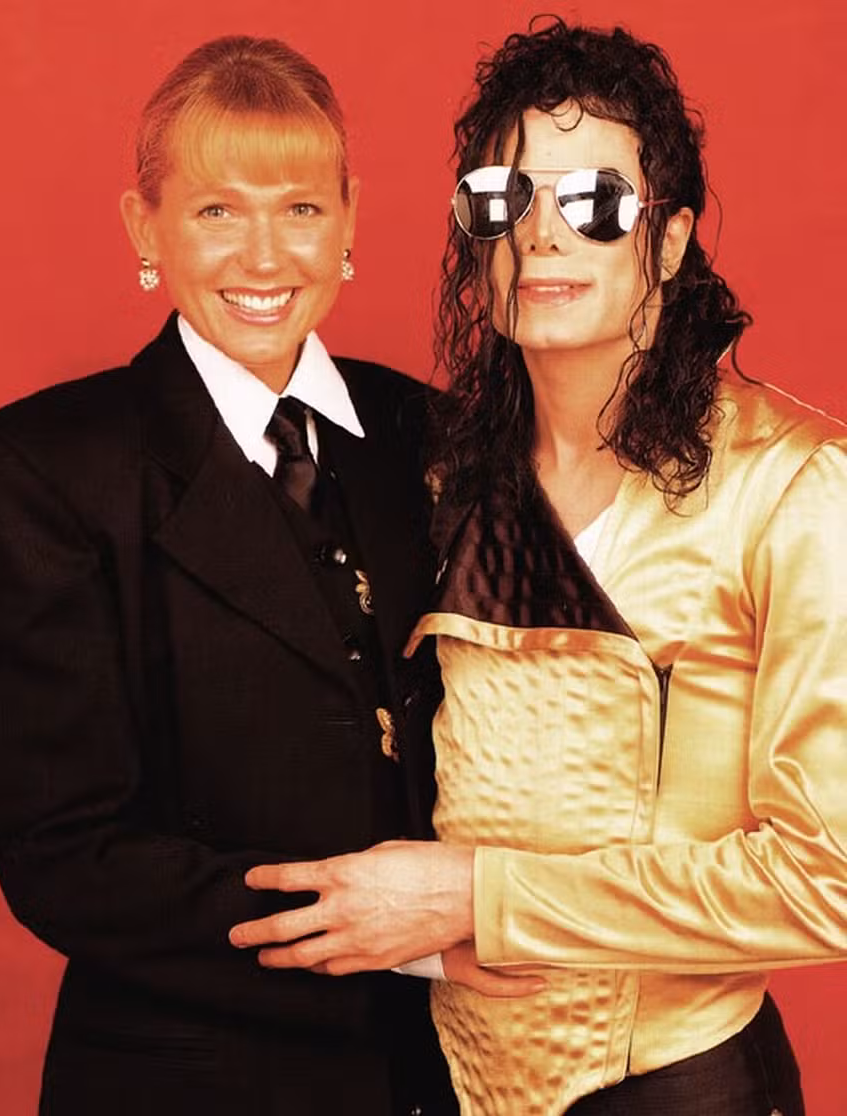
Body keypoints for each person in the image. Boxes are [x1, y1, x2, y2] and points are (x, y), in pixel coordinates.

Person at [226, 17, 847, 1116]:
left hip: (674, 1082)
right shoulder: (443, 475)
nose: (542, 235)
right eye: (503, 199)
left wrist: (483, 897)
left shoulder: (793, 486)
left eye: (596, 202)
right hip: (447, 1078)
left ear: (669, 240)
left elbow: (829, 882)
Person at [0, 35, 458, 1116]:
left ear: (351, 219)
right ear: (145, 227)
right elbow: (65, 852)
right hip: (186, 1080)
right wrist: (395, 932)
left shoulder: (435, 435)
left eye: (301, 208)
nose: (264, 257)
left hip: (451, 1077)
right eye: (217, 210)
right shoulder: (32, 472)